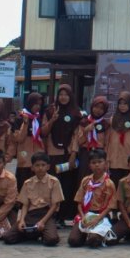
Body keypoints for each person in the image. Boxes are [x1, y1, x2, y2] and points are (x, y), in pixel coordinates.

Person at [3, 151, 63, 246]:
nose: (40, 168)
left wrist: (42, 221)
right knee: (8, 238)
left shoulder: (54, 182)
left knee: (52, 239)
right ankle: (33, 233)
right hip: (31, 215)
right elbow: (25, 205)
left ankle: (39, 232)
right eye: (37, 165)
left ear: (48, 167)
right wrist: (22, 220)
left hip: (47, 214)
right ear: (32, 168)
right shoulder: (28, 183)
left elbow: (55, 205)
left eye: (43, 165)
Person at [41, 84, 81, 224]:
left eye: (66, 94)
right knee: (52, 185)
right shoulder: (50, 111)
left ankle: (63, 216)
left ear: (71, 96)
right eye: (61, 94)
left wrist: (73, 154)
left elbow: (77, 135)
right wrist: (53, 119)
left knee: (66, 186)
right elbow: (44, 132)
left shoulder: (76, 113)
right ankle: (51, 215)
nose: (63, 97)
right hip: (53, 153)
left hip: (68, 153)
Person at [67, 149, 116, 248]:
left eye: (99, 162)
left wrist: (97, 219)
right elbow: (79, 202)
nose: (97, 165)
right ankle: (85, 234)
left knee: (93, 241)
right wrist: (83, 216)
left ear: (105, 164)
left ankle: (97, 235)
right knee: (73, 241)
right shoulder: (86, 181)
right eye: (93, 163)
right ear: (89, 165)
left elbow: (110, 206)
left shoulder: (109, 183)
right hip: (85, 214)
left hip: (100, 215)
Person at [105, 91, 130, 186]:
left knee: (129, 187)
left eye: (125, 103)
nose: (122, 106)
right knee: (114, 186)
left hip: (129, 159)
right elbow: (108, 140)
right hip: (114, 158)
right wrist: (107, 158)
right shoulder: (113, 119)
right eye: (120, 104)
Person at [11, 92, 46, 190]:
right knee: (23, 183)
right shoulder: (20, 118)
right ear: (30, 103)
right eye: (35, 104)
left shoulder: (38, 118)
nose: (37, 107)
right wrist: (25, 124)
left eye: (40, 104)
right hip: (24, 155)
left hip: (37, 154)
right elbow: (19, 139)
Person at [75, 96, 110, 180]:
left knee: (98, 178)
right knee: (84, 177)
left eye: (101, 108)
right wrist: (85, 131)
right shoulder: (84, 122)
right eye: (96, 107)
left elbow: (107, 143)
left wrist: (107, 160)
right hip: (85, 154)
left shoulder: (105, 124)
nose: (98, 110)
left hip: (100, 154)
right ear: (92, 106)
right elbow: (79, 142)